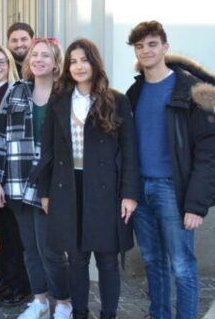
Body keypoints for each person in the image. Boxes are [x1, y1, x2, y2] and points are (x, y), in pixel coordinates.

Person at [125, 21, 215, 319]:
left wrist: (196, 205)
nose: (146, 51)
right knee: (152, 261)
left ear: (165, 47)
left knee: (182, 264)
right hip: (141, 190)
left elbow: (209, 152)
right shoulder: (135, 92)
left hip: (173, 189)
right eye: (140, 46)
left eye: (152, 44)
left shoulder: (190, 90)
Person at [37, 38, 139, 319]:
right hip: (67, 187)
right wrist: (45, 192)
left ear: (94, 63)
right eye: (73, 61)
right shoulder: (58, 102)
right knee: (77, 258)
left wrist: (130, 194)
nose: (78, 66)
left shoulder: (116, 100)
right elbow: (47, 150)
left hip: (106, 189)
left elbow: (130, 150)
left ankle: (108, 314)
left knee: (107, 258)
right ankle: (79, 313)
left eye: (84, 60)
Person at [0, 38, 71, 319]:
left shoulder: (65, 94)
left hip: (52, 184)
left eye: (45, 55)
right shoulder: (16, 91)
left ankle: (63, 302)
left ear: (56, 62)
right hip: (17, 181)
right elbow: (0, 137)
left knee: (50, 249)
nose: (38, 59)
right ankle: (40, 301)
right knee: (29, 248)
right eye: (34, 55)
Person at [0, 45, 32, 306]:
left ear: (9, 64)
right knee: (4, 231)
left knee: (14, 232)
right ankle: (4, 282)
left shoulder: (17, 91)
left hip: (8, 173)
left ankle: (19, 286)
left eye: (2, 61)